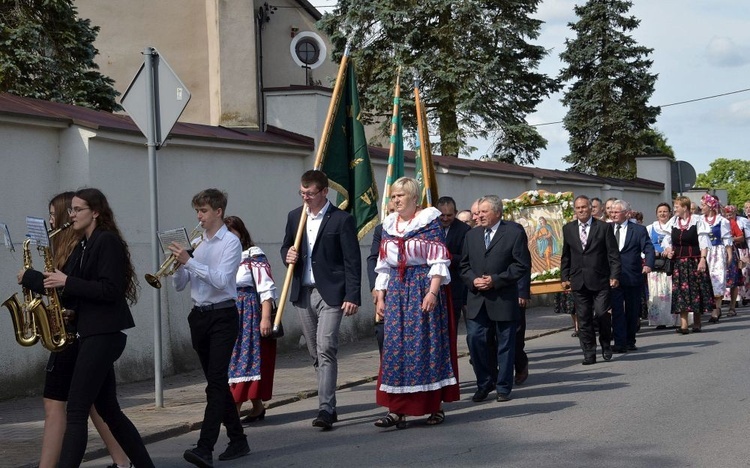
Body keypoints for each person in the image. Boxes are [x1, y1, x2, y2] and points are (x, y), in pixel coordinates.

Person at [42, 188, 153, 468]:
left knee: (77, 410)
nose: (72, 215)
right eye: (71, 210)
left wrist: (66, 282)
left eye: (78, 209)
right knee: (109, 410)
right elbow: (87, 292)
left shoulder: (107, 241)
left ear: (96, 212)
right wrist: (71, 310)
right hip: (91, 332)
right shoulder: (87, 243)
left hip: (104, 335)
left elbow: (110, 290)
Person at [18, 192, 130, 468]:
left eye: (54, 214)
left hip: (81, 335)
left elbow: (96, 288)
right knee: (100, 407)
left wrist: (31, 278)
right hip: (77, 330)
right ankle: (126, 461)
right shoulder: (81, 245)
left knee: (76, 408)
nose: (56, 220)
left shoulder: (95, 243)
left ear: (92, 212)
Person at [172, 189, 249, 466]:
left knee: (216, 382)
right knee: (216, 383)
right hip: (199, 317)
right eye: (197, 211)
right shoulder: (197, 243)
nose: (199, 216)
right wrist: (179, 267)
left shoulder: (231, 242)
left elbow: (221, 280)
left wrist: (190, 261)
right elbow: (181, 285)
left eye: (203, 211)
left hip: (223, 316)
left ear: (218, 211)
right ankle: (239, 439)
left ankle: (205, 447)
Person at [373, 177, 459, 428]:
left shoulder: (429, 224)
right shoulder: (389, 225)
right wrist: (380, 296)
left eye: (400, 196)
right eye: (393, 196)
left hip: (422, 287)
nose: (395, 200)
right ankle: (397, 409)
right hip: (398, 291)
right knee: (395, 347)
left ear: (413, 198)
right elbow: (384, 266)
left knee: (426, 345)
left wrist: (432, 293)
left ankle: (434, 406)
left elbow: (439, 262)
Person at [281, 170, 361, 430]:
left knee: (326, 347)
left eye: (310, 194)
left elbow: (352, 260)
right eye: (302, 193)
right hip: (303, 292)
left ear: (325, 192)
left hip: (331, 293)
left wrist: (353, 295)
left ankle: (325, 408)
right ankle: (330, 403)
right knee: (315, 351)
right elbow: (286, 246)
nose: (306, 198)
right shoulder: (296, 217)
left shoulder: (341, 220)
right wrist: (288, 254)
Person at [461, 194, 531, 402]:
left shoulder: (513, 233)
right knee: (475, 339)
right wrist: (473, 280)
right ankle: (484, 382)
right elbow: (463, 266)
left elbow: (521, 265)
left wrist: (496, 280)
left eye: (484, 212)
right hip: (477, 299)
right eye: (477, 212)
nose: (479, 216)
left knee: (505, 344)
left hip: (502, 298)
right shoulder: (471, 236)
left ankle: (503, 386)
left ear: (497, 212)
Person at [223, 216, 278, 425]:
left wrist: (265, 318)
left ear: (241, 233)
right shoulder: (223, 256)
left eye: (232, 232)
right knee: (231, 360)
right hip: (228, 310)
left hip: (248, 312)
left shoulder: (252, 254)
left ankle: (234, 410)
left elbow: (266, 288)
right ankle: (257, 407)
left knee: (244, 360)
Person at [561, 195, 621, 365]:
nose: (581, 210)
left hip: (601, 280)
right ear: (575, 210)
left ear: (590, 208)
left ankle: (605, 343)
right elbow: (566, 255)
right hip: (579, 281)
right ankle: (589, 352)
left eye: (584, 207)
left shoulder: (603, 228)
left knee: (602, 314)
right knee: (584, 318)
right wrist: (564, 276)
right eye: (578, 208)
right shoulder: (568, 229)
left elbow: (613, 254)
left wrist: (615, 275)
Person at [662, 196, 715, 334]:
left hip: (694, 261)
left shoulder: (697, 221)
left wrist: (703, 259)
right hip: (679, 262)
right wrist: (668, 250)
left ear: (684, 207)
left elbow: (704, 242)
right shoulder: (673, 222)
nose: (674, 209)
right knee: (681, 292)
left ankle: (697, 323)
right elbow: (667, 240)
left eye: (677, 207)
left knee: (696, 290)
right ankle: (684, 324)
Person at [609, 200, 654, 353]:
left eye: (616, 212)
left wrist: (648, 264)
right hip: (613, 276)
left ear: (626, 213)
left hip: (633, 275)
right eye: (611, 211)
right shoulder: (606, 229)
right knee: (616, 310)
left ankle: (630, 340)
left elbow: (648, 247)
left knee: (632, 310)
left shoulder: (639, 230)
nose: (613, 214)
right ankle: (619, 342)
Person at [436, 196, 471, 330]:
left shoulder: (464, 230)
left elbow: (466, 258)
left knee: (451, 326)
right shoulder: (429, 228)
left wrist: (447, 257)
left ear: (455, 213)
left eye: (449, 215)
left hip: (455, 285)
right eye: (442, 215)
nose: (445, 218)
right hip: (433, 286)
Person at [367, 200, 396, 355]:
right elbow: (373, 258)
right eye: (390, 211)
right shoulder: (381, 230)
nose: (393, 215)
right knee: (383, 333)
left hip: (408, 289)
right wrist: (374, 287)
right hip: (385, 290)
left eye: (396, 210)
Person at [699, 194, 732, 323]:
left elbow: (726, 239)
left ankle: (716, 310)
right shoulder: (700, 220)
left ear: (710, 206)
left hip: (717, 252)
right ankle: (710, 307)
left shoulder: (722, 221)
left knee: (717, 279)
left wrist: (729, 255)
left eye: (703, 205)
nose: (701, 208)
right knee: (706, 280)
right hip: (704, 252)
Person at [646, 203, 677, 328]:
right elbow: (645, 246)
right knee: (656, 292)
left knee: (670, 291)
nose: (663, 214)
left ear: (670, 213)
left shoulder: (674, 227)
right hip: (656, 264)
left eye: (665, 211)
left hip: (670, 263)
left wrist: (670, 250)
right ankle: (659, 321)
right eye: (660, 211)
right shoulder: (650, 228)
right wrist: (653, 252)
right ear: (656, 213)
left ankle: (673, 319)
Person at [722, 205, 744, 316]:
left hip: (731, 251)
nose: (728, 216)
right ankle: (717, 307)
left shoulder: (732, 223)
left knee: (733, 280)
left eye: (730, 214)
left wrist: (730, 239)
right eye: (726, 214)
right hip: (717, 252)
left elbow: (740, 236)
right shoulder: (718, 222)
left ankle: (732, 306)